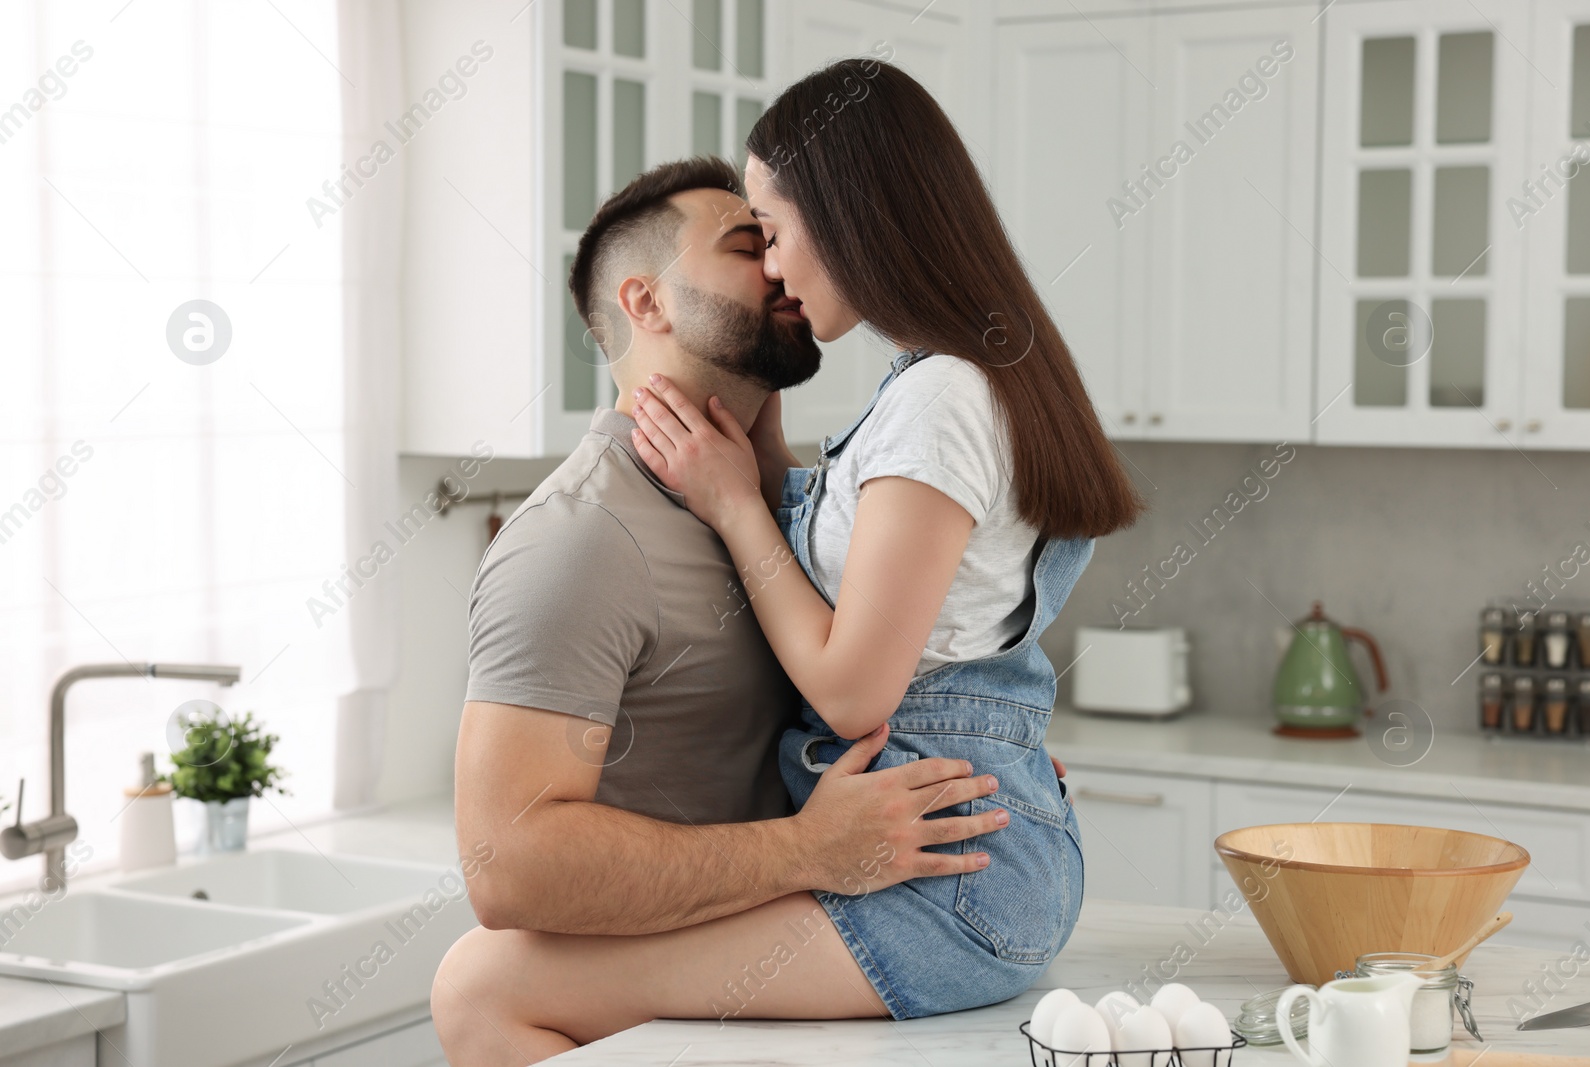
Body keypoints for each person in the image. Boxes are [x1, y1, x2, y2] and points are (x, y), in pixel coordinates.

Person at [431, 155, 1075, 1066]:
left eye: (777, 239)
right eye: (750, 244)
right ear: (645, 303)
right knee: (476, 982)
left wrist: (988, 749)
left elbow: (912, 655)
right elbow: (509, 866)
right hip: (767, 946)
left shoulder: (788, 511)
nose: (784, 263)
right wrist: (806, 850)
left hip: (837, 939)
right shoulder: (577, 545)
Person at [630, 56, 1144, 1020]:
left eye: (773, 232)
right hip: (968, 850)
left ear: (844, 214)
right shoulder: (967, 374)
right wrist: (767, 448)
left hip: (945, 881)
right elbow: (939, 615)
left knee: (511, 981)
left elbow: (856, 688)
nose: (772, 264)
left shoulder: (940, 398)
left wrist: (737, 504)